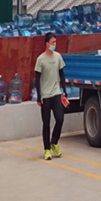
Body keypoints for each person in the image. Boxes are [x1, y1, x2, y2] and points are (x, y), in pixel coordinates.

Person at [34, 32, 69, 160]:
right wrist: (39, 96)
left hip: (56, 93)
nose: (55, 45)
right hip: (45, 95)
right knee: (46, 123)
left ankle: (54, 142)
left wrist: (64, 90)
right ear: (47, 44)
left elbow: (62, 74)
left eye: (56, 42)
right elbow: (37, 79)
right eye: (53, 42)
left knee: (60, 119)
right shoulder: (40, 59)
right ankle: (47, 149)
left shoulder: (58, 57)